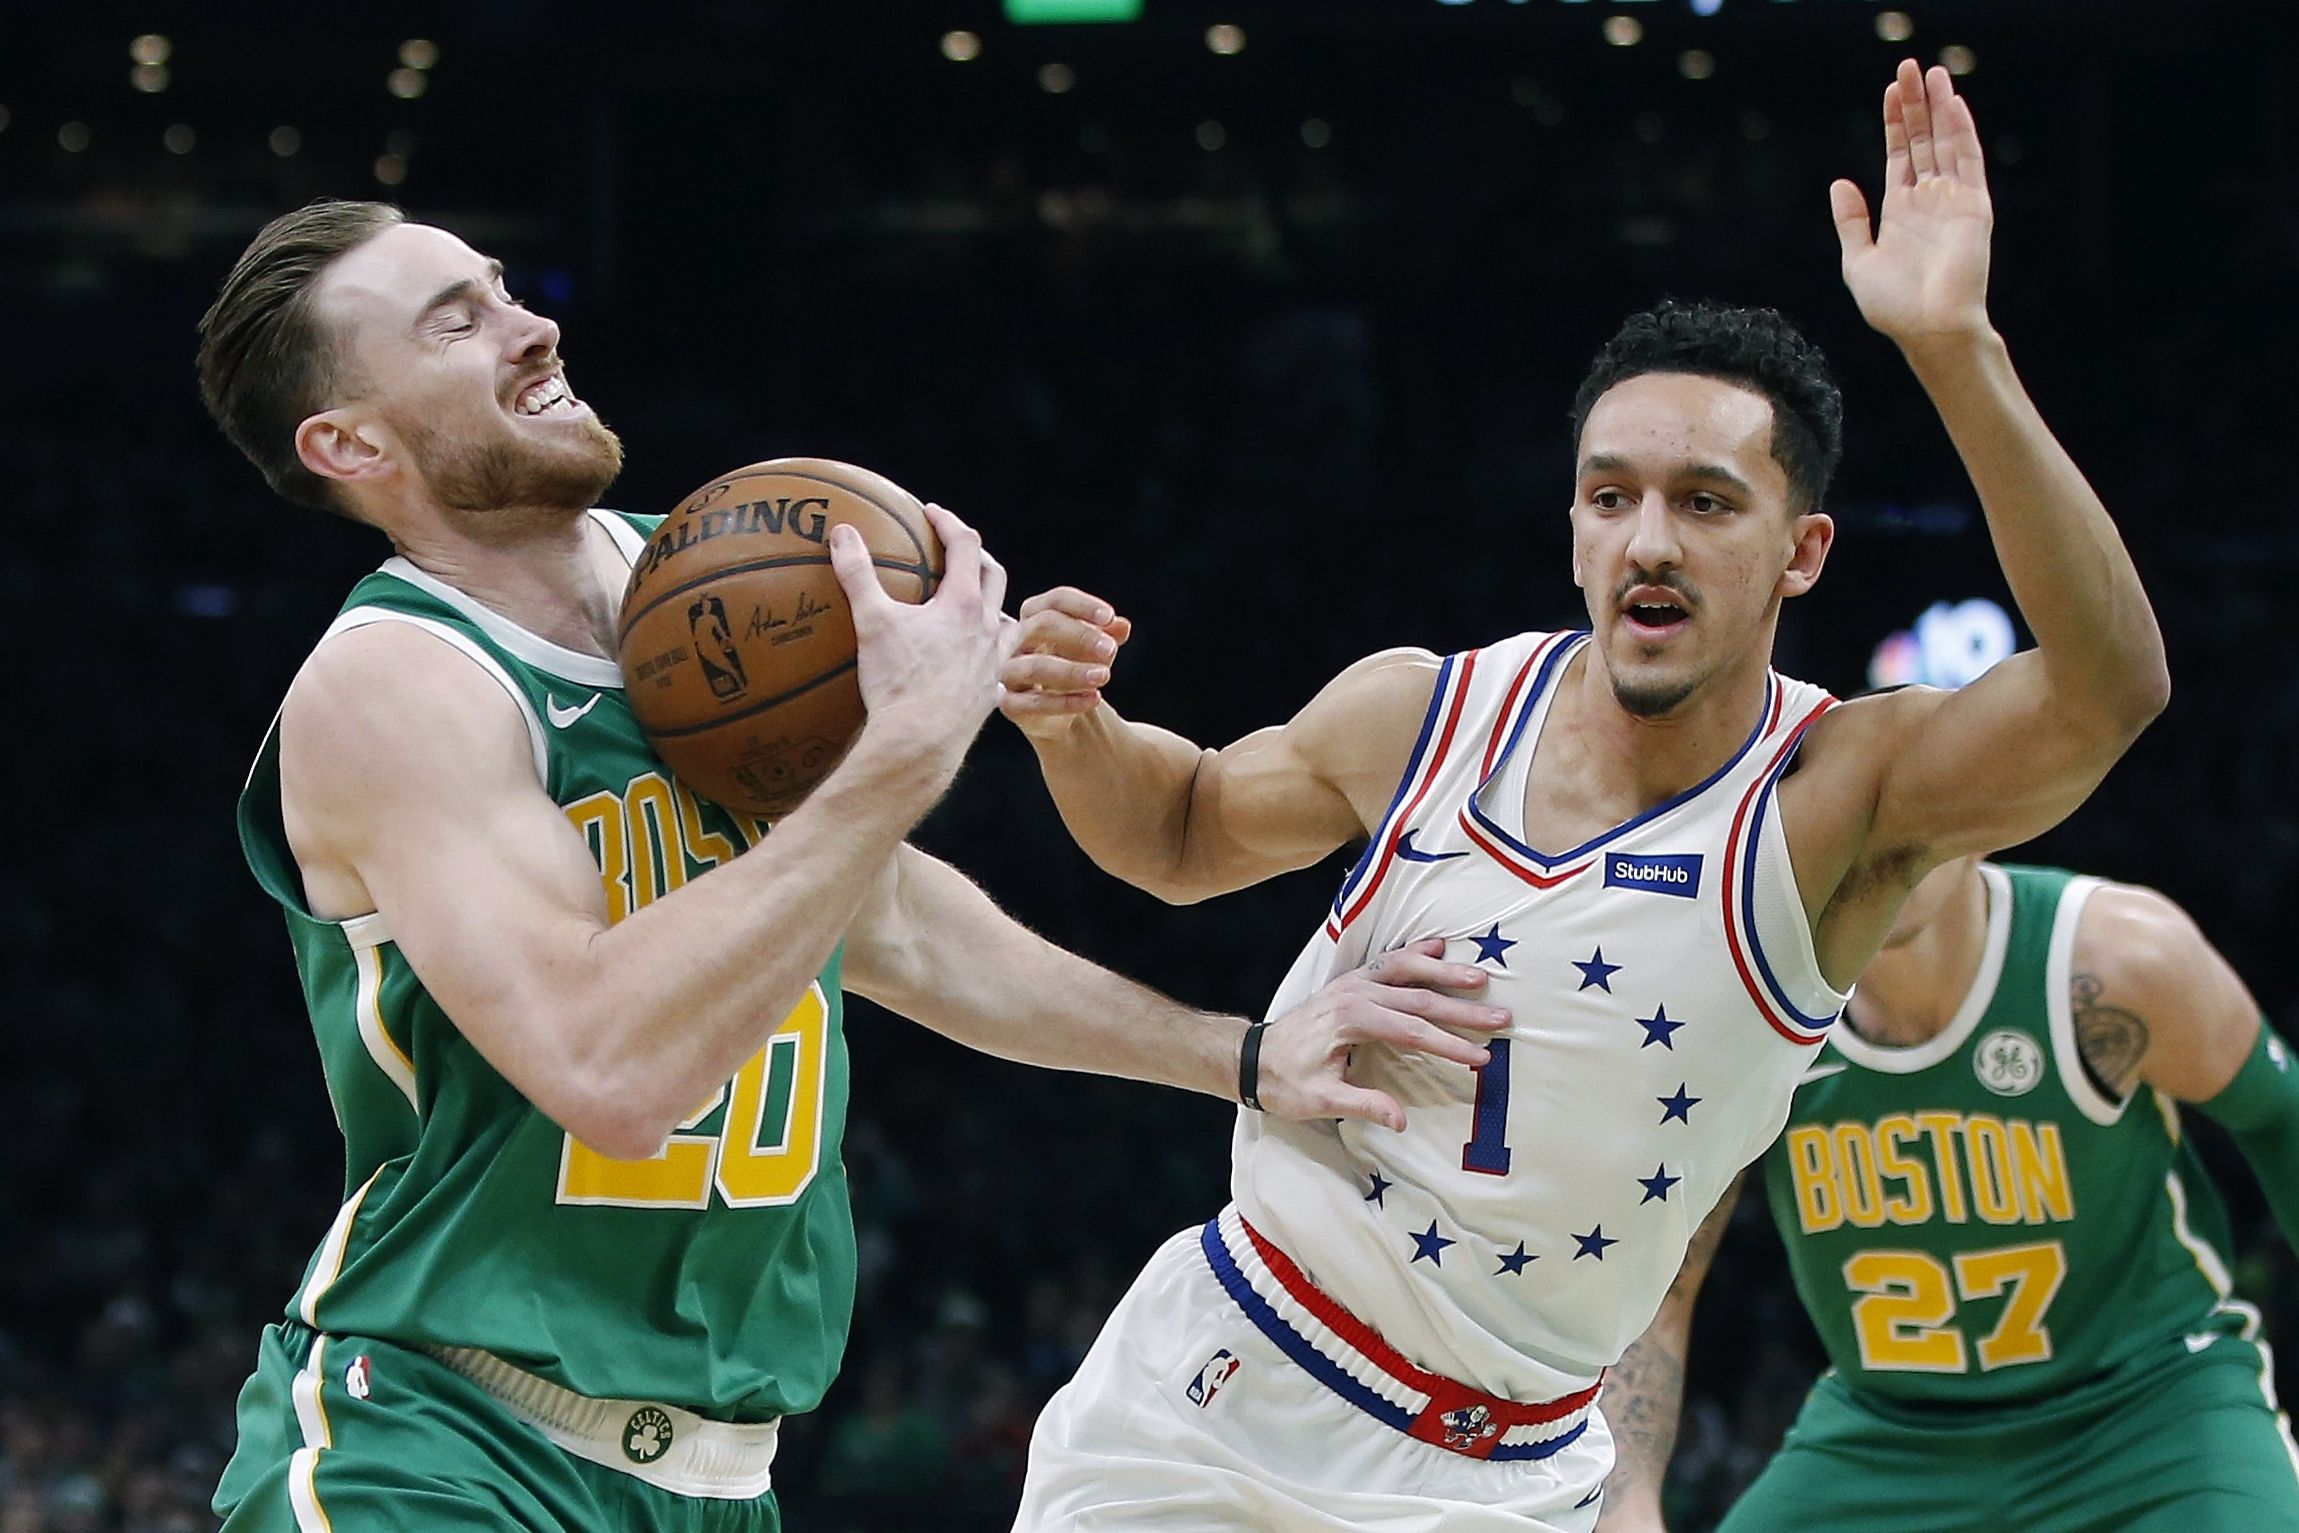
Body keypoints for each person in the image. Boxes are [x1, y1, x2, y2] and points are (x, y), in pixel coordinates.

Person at [192, 199, 1510, 1533]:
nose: (531, 327)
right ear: (349, 443)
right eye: (455, 321)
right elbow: (609, 1072)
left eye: (499, 288)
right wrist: (904, 751)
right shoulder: (399, 680)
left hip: (714, 1478)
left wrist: (1239, 1055)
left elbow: (885, 920)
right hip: (433, 1451)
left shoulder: (704, 586)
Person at [994, 62, 2170, 1531]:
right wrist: (1070, 728)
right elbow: (1170, 836)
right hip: (1210, 1394)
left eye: (1703, 501)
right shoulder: (1418, 712)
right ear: (1569, 525)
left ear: (1799, 552)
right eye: (1608, 497)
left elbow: (2106, 689)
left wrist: (1951, 346)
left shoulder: (1831, 799)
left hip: (1498, 1477)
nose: (1646, 542)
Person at [1593, 858, 2299, 1533]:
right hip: (1890, 1432)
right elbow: (1656, 1287)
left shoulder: (2111, 960)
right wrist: (1624, 1505)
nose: (1886, 828)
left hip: (2151, 1408)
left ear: (1983, 807)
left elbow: (2280, 1117)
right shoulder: (1737, 1008)